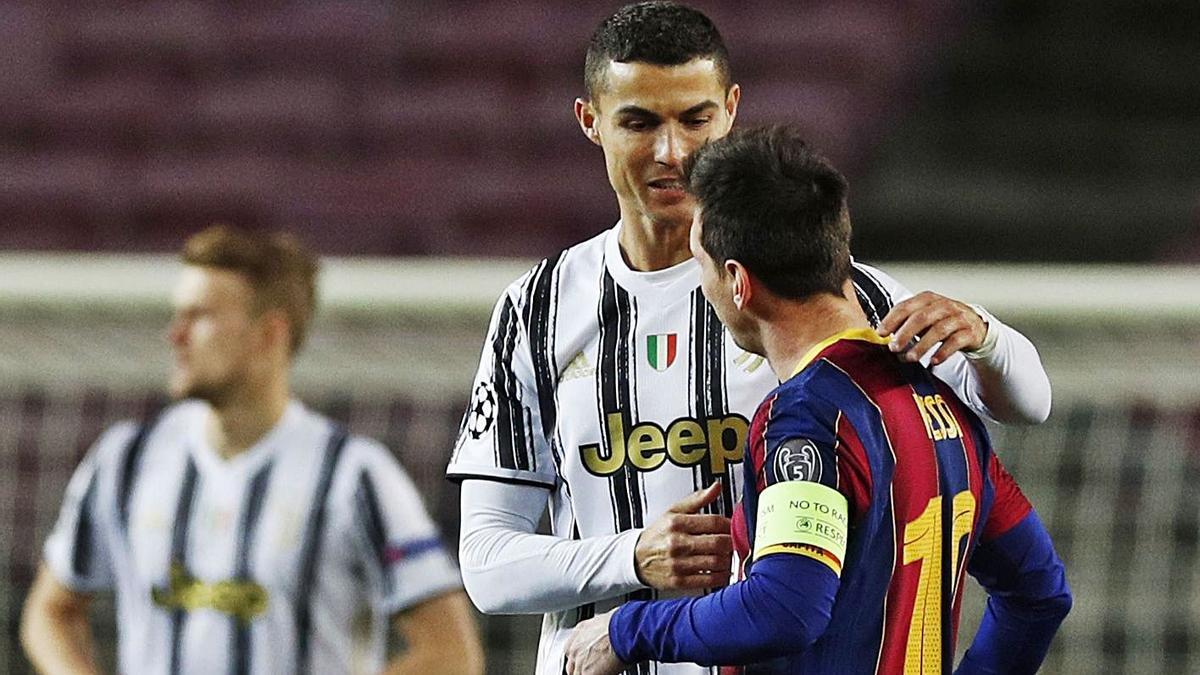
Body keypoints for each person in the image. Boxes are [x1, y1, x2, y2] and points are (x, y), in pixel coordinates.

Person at [448, 3, 1053, 673]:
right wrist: (631, 556)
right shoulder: (536, 310)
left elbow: (1025, 404)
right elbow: (485, 564)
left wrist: (989, 339)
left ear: (731, 109)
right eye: (640, 122)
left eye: (694, 118)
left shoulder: (846, 298)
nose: (672, 151)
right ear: (591, 121)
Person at [564, 126, 1071, 674]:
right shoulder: (942, 402)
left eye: (699, 265)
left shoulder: (808, 417)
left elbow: (783, 610)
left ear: (737, 281)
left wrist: (626, 630)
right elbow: (1039, 595)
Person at [21, 225, 483, 675]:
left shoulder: (352, 474)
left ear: (269, 334)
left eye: (199, 316)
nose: (175, 335)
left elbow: (451, 655)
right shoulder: (125, 460)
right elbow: (49, 612)